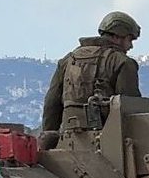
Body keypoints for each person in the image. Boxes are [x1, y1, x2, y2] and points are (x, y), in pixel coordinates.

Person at [40, 11, 143, 149]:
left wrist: (50, 139)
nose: (130, 46)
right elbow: (129, 106)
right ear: (118, 36)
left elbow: (51, 104)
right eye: (129, 40)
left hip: (69, 142)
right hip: (109, 144)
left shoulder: (68, 60)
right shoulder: (122, 62)